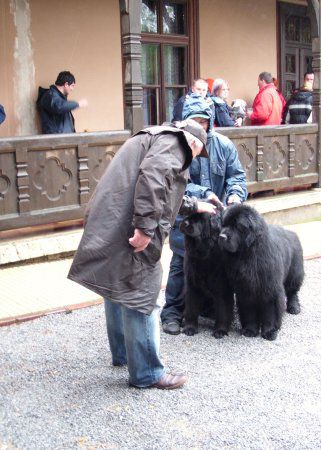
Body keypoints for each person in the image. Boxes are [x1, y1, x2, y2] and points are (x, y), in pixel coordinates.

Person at [68, 118, 216, 390]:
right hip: (130, 224)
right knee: (143, 292)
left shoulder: (155, 137)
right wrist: (145, 228)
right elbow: (153, 179)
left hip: (112, 219)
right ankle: (147, 372)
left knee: (118, 286)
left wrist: (195, 206)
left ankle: (124, 355)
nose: (194, 159)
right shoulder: (176, 143)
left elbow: (164, 190)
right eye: (197, 154)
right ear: (193, 142)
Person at [161, 93, 247, 335]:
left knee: (217, 267)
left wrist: (235, 196)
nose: (201, 126)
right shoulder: (178, 149)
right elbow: (176, 183)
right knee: (180, 264)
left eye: (204, 121)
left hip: (217, 221)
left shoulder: (224, 145)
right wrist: (204, 192)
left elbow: (236, 176)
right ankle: (173, 313)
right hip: (188, 217)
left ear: (210, 121)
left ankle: (210, 308)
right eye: (195, 121)